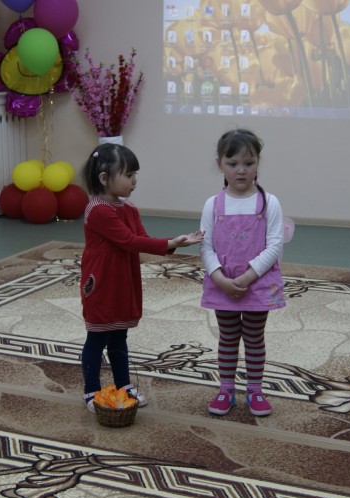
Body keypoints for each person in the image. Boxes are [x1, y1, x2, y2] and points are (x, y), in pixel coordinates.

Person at [80, 143, 204, 413]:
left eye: (135, 174)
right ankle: (91, 390)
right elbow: (129, 241)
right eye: (128, 175)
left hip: (122, 282)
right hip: (101, 284)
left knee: (119, 336)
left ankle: (123, 385)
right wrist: (171, 243)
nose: (134, 180)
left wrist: (174, 243)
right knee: (97, 337)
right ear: (104, 178)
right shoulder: (99, 210)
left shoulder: (129, 209)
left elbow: (143, 239)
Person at [199, 128, 285, 417]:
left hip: (257, 285)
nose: (241, 170)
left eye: (249, 163)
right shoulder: (213, 204)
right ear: (219, 163)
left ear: (258, 163)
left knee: (254, 337)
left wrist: (248, 277)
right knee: (227, 337)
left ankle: (255, 390)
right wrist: (220, 279)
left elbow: (274, 245)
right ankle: (226, 389)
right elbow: (206, 246)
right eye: (232, 163)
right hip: (222, 284)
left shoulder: (269, 202)